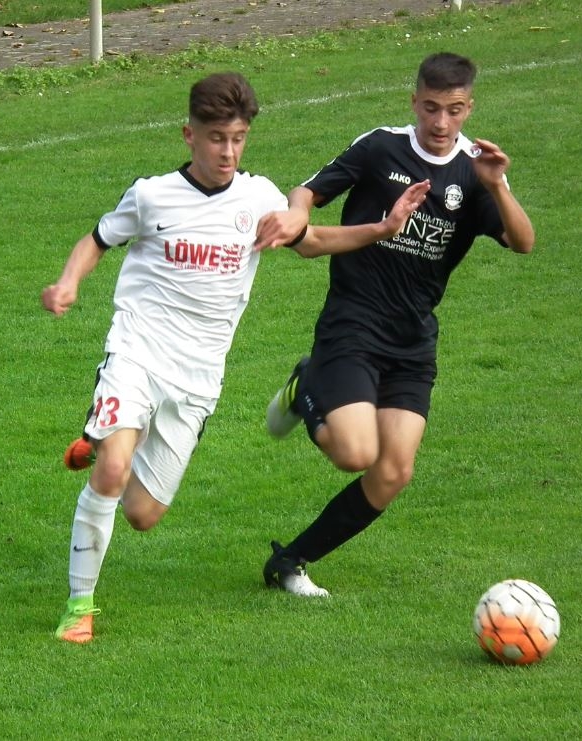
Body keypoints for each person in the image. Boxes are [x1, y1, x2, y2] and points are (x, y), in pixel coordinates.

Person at [42, 71, 430, 643]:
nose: (228, 151)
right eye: (217, 138)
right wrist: (68, 282)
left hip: (198, 378)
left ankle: (102, 438)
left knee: (143, 515)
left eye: (239, 139)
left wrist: (383, 227)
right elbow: (97, 240)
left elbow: (312, 243)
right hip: (137, 350)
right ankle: (79, 607)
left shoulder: (258, 199)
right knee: (115, 470)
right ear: (189, 135)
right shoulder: (151, 195)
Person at [257, 52, 535, 597]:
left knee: (393, 471)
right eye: (430, 108)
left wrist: (498, 185)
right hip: (353, 324)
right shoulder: (381, 147)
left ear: (468, 108)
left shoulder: (474, 172)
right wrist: (296, 214)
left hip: (413, 341)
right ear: (414, 102)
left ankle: (289, 561)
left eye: (453, 110)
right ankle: (307, 383)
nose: (440, 122)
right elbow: (309, 190)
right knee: (355, 454)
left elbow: (522, 242)